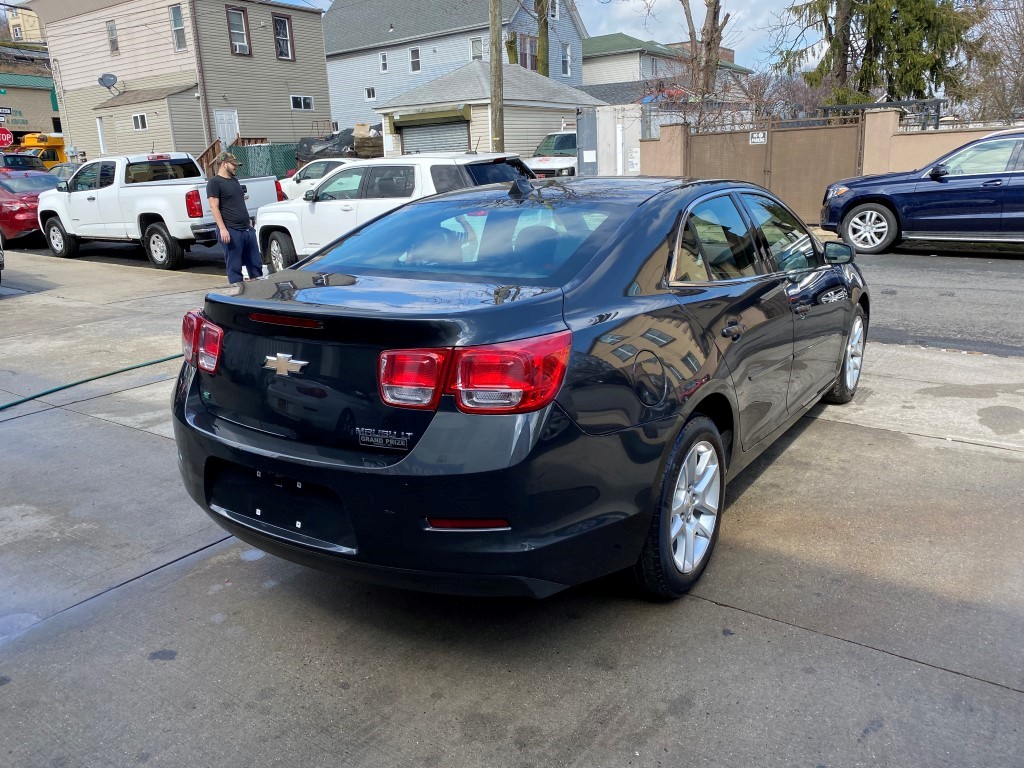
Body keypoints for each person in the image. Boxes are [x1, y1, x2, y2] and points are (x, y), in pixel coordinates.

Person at [207, 151, 263, 283]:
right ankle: (237, 293)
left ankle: (258, 292)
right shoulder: (214, 183)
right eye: (233, 164)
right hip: (231, 230)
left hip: (246, 230)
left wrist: (248, 221)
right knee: (235, 266)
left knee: (255, 264)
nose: (235, 167)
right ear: (224, 164)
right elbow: (214, 206)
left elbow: (239, 202)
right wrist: (222, 229)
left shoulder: (234, 181)